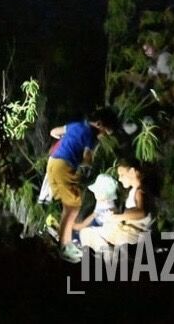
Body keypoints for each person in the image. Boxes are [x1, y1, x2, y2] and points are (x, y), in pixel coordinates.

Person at [47, 107, 118, 262]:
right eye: (105, 132)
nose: (103, 136)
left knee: (69, 206)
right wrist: (87, 166)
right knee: (73, 207)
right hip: (65, 165)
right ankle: (64, 246)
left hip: (52, 162)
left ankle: (63, 240)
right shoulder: (91, 137)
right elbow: (87, 159)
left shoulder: (76, 126)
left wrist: (69, 141)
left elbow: (53, 132)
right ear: (99, 124)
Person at [78, 159, 156, 254]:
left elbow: (141, 212)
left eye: (122, 175)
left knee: (87, 233)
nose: (119, 179)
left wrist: (117, 217)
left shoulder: (140, 192)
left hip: (133, 236)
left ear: (132, 172)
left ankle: (110, 257)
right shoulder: (135, 191)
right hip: (129, 233)